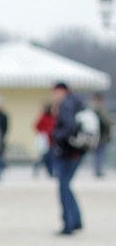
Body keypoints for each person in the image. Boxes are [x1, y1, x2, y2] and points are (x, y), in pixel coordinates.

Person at [51, 82, 86, 235]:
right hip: (78, 151)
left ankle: (69, 224)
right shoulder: (78, 103)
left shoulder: (66, 105)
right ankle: (76, 220)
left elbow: (69, 126)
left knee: (63, 186)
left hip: (67, 152)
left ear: (61, 91)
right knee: (67, 185)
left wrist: (55, 135)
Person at [91, 93, 112, 178]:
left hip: (100, 136)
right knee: (99, 154)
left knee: (99, 154)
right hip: (100, 136)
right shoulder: (100, 110)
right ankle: (98, 170)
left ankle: (98, 170)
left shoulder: (94, 110)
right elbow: (108, 122)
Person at [32, 103, 56, 177]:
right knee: (45, 157)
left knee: (51, 157)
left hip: (52, 140)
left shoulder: (54, 117)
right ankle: (37, 166)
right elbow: (37, 126)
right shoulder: (43, 117)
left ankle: (50, 172)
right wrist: (44, 132)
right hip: (45, 141)